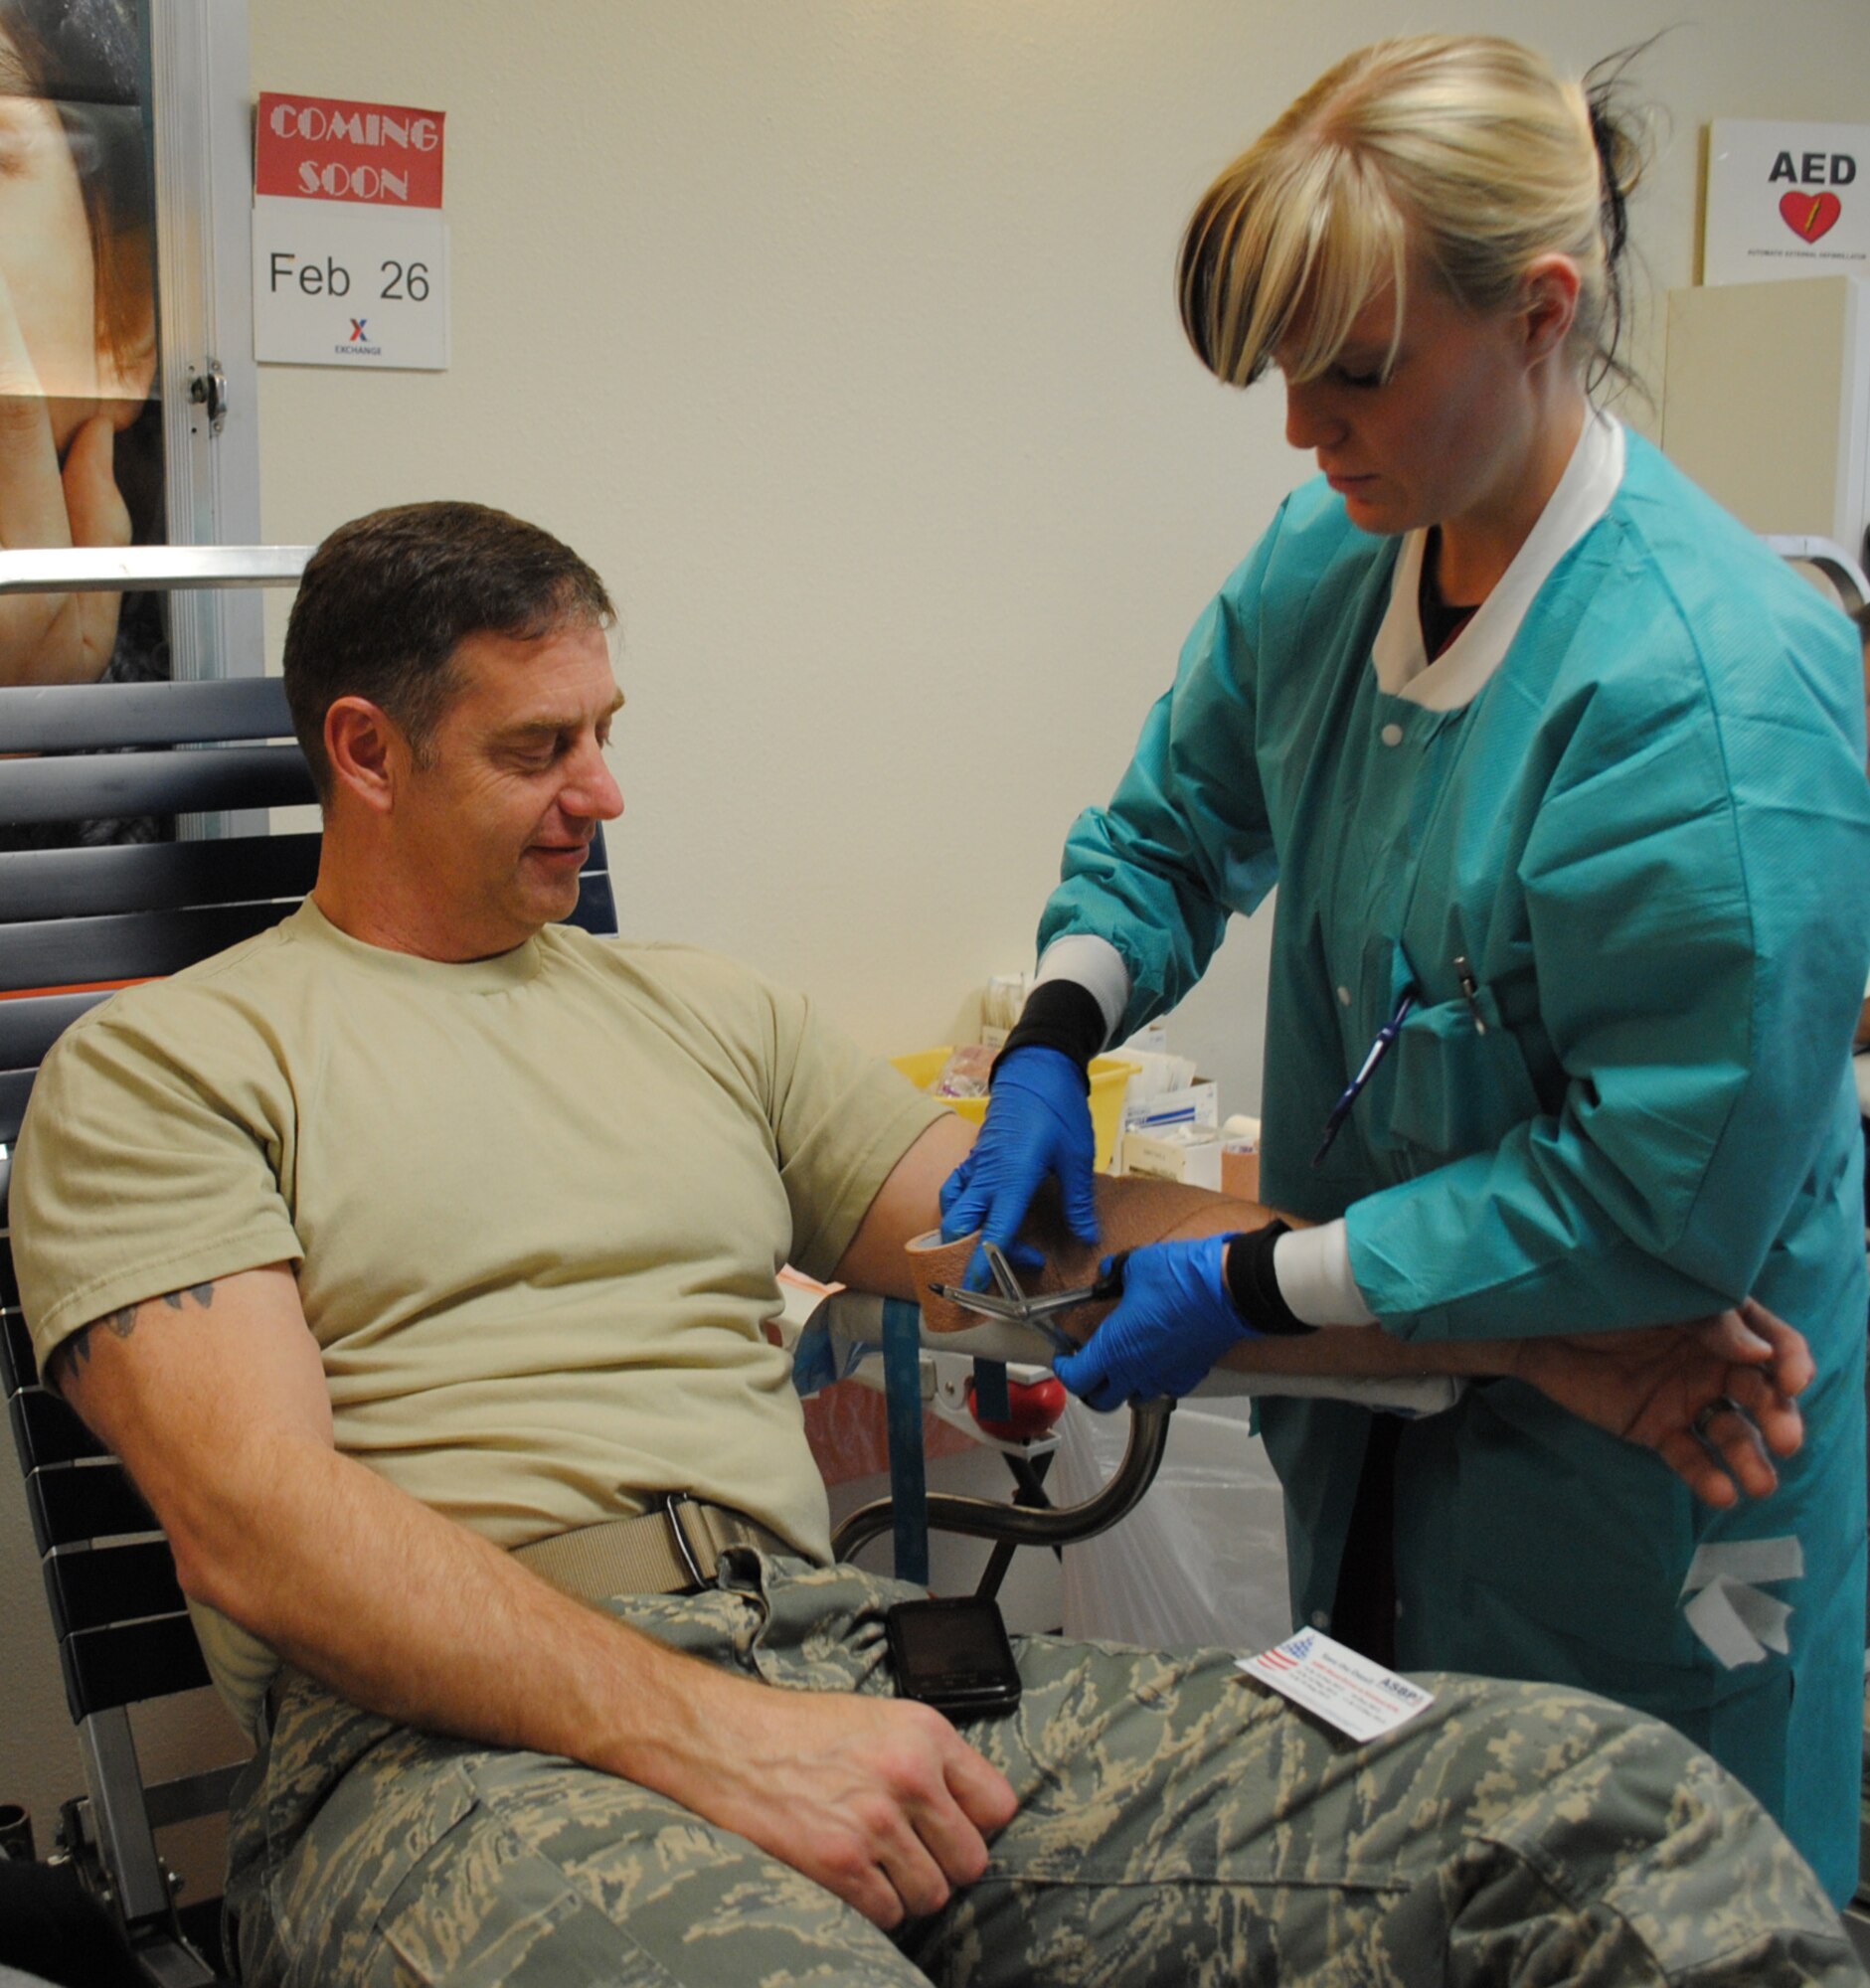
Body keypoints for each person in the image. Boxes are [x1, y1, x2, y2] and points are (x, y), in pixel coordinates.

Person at [11, 503, 1862, 1987]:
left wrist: (1531, 1328)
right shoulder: (172, 1066)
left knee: (1605, 1819)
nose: (606, 794)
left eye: (607, 733)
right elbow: (263, 1526)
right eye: (539, 748)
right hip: (441, 1768)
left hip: (847, 1669)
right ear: (366, 751)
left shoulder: (700, 1013)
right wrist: (710, 1740)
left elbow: (1044, 1240)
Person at [940, 35, 1870, 1907]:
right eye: (1284, 372)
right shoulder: (1335, 553)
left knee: (1652, 1904)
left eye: (1355, 371)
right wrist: (1055, 1035)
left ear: (1540, 311)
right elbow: (1170, 830)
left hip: (1659, 1446)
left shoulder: (1705, 691)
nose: (1301, 428)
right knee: (1398, 1868)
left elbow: (1648, 1195)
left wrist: (1251, 1281)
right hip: (1375, 1406)